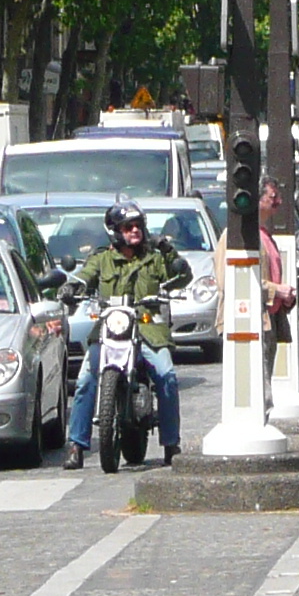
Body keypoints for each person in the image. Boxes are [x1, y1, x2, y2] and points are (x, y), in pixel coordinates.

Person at [64, 201, 186, 469]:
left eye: (138, 226)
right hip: (110, 330)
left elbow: (182, 275)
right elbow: (85, 277)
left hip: (148, 328)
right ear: (115, 232)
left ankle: (171, 443)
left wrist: (170, 252)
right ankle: (76, 445)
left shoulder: (154, 258)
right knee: (85, 380)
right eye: (128, 227)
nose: (135, 231)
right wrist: (71, 287)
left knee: (167, 376)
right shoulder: (102, 259)